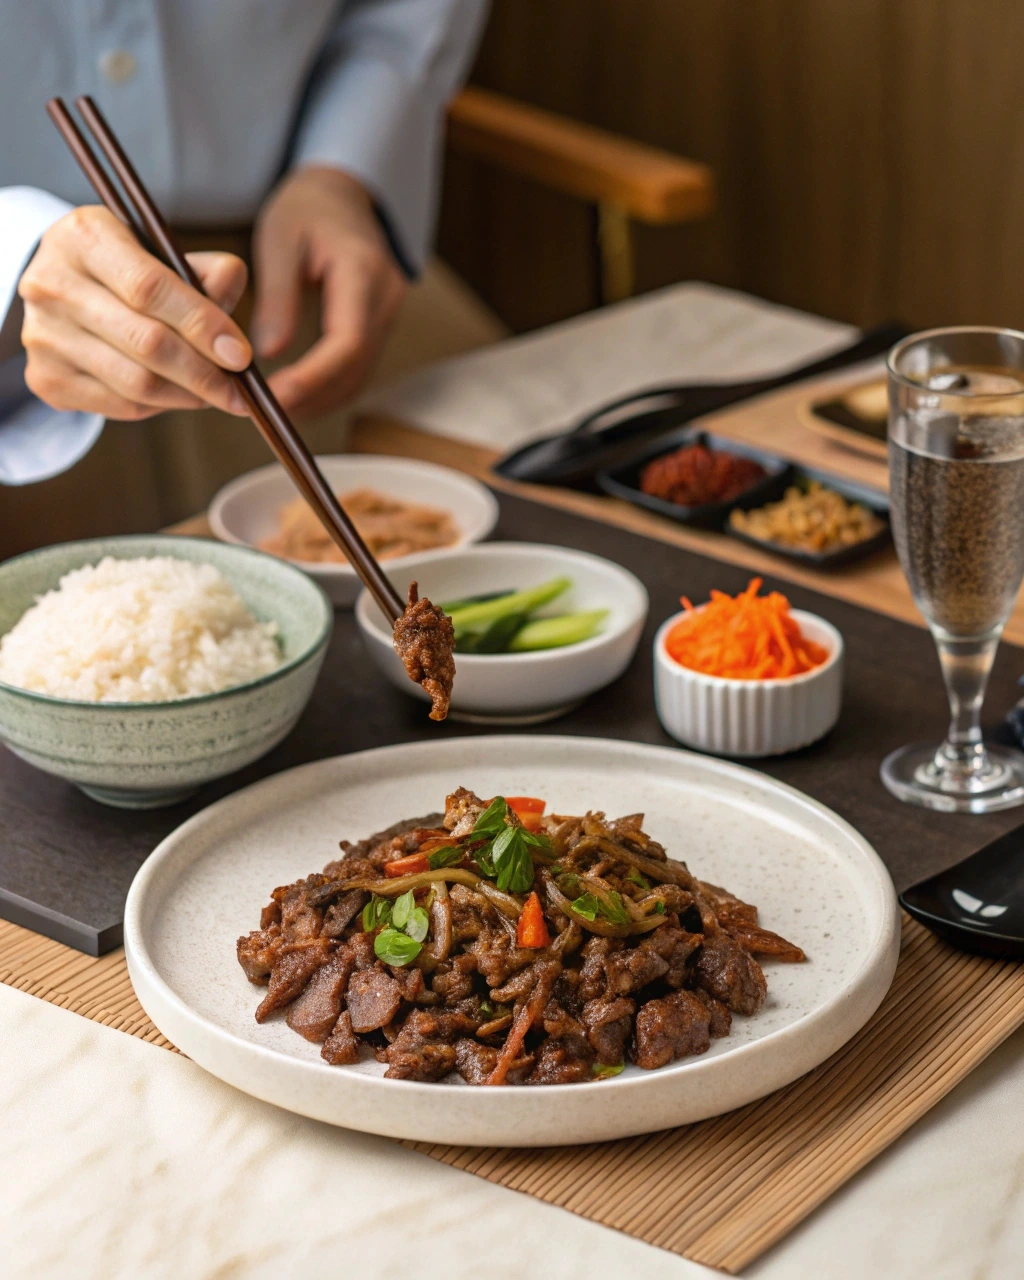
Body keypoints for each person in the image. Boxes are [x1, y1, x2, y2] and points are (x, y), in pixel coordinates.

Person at [0, 0, 487, 488]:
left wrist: (341, 170)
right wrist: (18, 252)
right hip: (14, 339)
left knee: (490, 483)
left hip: (295, 252)